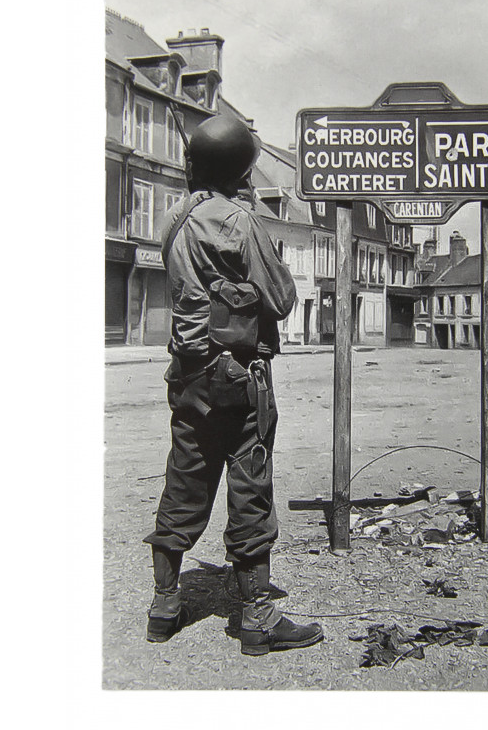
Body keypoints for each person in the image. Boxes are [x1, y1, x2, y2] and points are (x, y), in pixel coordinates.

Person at [143, 113, 323, 656]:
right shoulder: (241, 223)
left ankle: (165, 606)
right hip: (240, 377)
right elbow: (283, 299)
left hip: (190, 376)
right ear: (242, 170)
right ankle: (258, 620)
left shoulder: (173, 216)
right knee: (250, 490)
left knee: (184, 481)